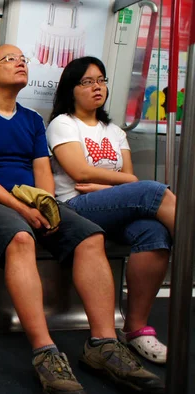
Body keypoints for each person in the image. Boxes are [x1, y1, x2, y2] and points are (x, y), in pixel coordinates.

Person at [0, 45, 164, 394]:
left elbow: (42, 172)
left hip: (34, 200)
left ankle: (103, 344)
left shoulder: (33, 120)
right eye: (10, 59)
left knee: (90, 236)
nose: (21, 63)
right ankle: (45, 353)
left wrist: (47, 203)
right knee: (21, 238)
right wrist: (22, 208)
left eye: (24, 59)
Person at [46, 56, 175, 364]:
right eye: (87, 82)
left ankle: (135, 329)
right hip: (74, 207)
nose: (97, 87)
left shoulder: (115, 131)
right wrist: (124, 183)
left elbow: (126, 179)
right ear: (71, 89)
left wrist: (116, 185)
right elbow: (81, 172)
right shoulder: (63, 124)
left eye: (101, 80)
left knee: (154, 231)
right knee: (154, 191)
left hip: (110, 204)